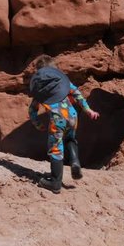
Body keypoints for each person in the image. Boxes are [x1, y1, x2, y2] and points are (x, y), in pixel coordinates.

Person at [28, 55, 100, 194]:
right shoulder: (62, 81)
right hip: (72, 116)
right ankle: (75, 162)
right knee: (70, 139)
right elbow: (77, 94)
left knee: (56, 149)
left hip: (57, 120)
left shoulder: (40, 88)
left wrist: (37, 124)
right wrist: (88, 110)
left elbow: (32, 109)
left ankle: (55, 182)